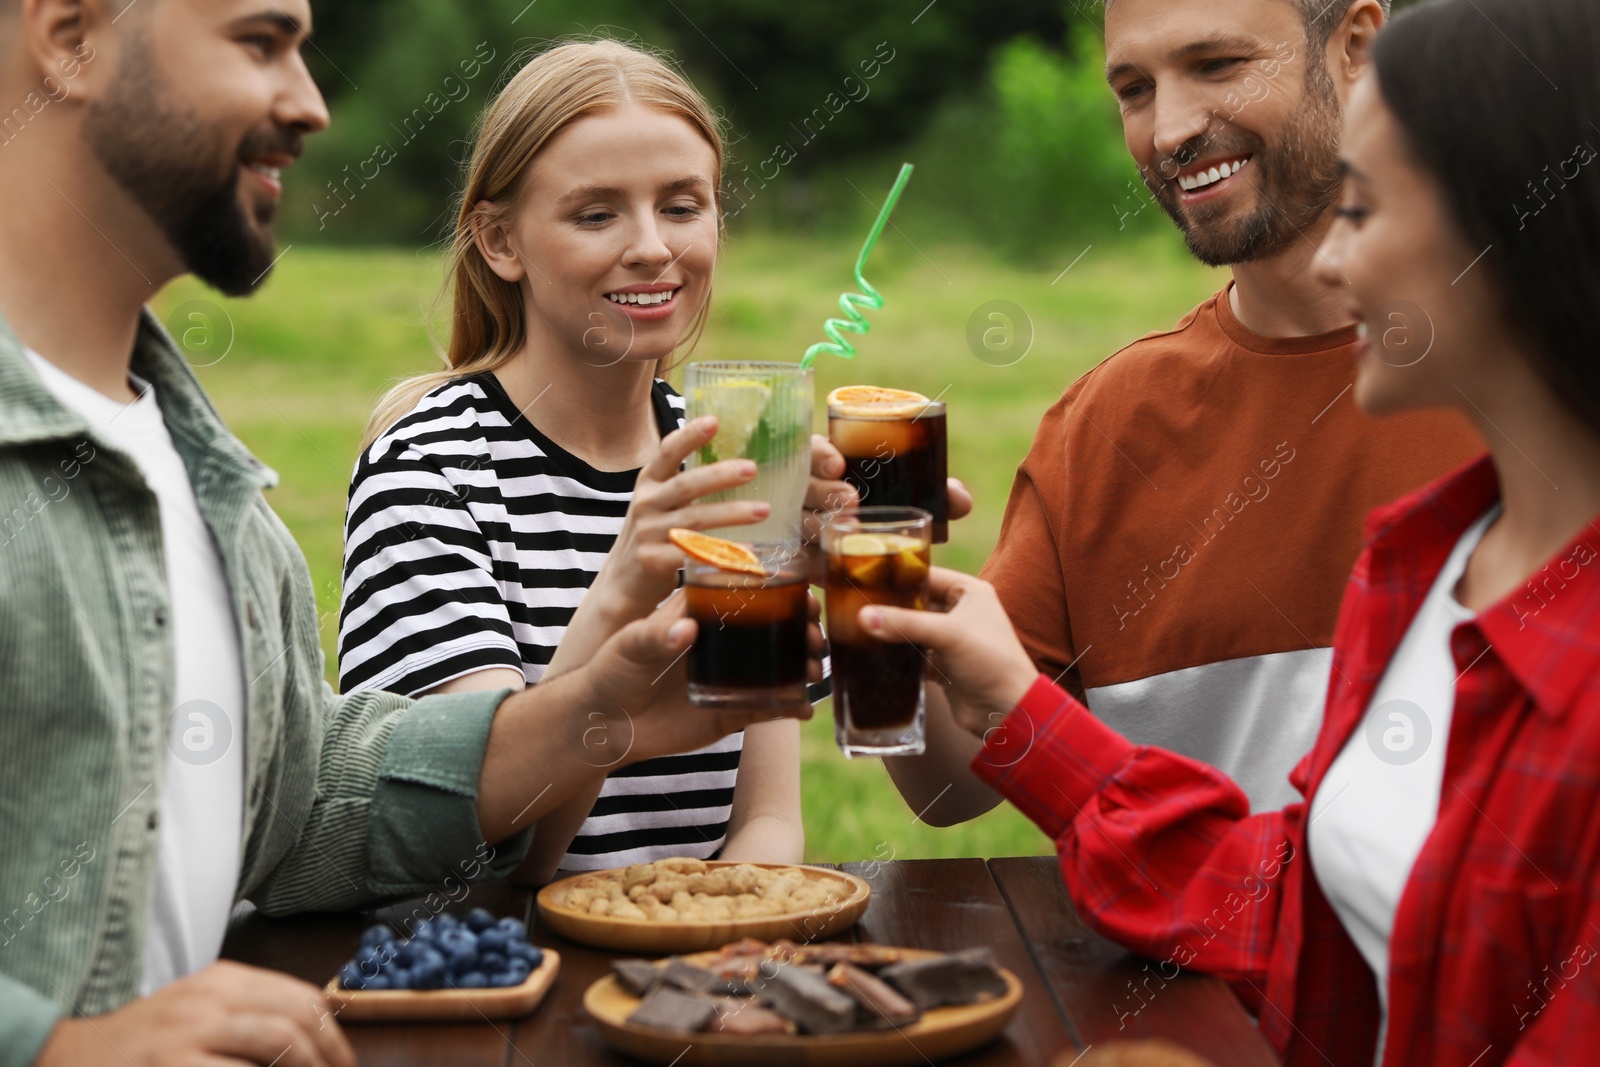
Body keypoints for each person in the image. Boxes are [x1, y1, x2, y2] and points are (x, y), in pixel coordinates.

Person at [0, 3, 817, 1065]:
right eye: (259, 42)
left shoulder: (227, 512)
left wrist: (598, 712)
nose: (311, 102)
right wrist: (52, 1044)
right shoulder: (412, 460)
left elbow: (310, 807)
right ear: (67, 35)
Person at [861, 0, 1600, 1061]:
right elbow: (1295, 900)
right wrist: (887, 620)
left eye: (1368, 205)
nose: (1166, 132)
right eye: (1132, 87)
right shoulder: (1423, 563)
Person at [809, 0, 1485, 821]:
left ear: (1356, 47)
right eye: (1134, 88)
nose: (1169, 131)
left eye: (1217, 65)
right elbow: (957, 780)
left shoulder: (1537, 383)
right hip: (1185, 946)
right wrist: (867, 592)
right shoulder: (1106, 426)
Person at [338, 40, 805, 883]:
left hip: (703, 977)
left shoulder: (738, 457)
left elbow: (768, 817)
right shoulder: (430, 471)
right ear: (498, 241)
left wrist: (732, 943)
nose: (653, 248)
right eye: (596, 214)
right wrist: (625, 583)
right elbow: (479, 859)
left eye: (682, 206)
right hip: (508, 986)